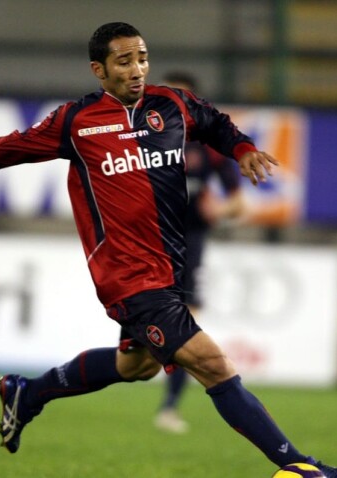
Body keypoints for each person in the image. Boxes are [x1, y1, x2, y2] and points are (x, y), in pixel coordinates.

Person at [0, 22, 337, 478]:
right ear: (99, 70)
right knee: (214, 365)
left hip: (168, 270)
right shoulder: (76, 121)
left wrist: (243, 148)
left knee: (136, 366)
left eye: (143, 58)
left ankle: (27, 393)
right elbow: (9, 148)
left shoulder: (172, 105)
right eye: (124, 61)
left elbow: (216, 123)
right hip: (128, 277)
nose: (137, 69)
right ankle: (302, 468)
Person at [153, 70, 245, 434]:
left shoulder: (208, 147)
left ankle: (169, 407)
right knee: (140, 353)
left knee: (185, 326)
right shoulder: (143, 140)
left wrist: (218, 210)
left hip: (190, 243)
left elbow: (238, 204)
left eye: (182, 97)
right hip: (150, 242)